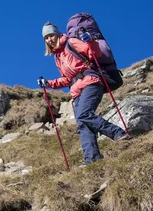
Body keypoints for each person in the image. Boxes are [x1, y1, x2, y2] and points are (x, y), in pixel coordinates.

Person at [38, 22, 131, 165]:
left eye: (50, 35)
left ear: (56, 33)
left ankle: (118, 133)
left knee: (84, 114)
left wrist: (91, 41)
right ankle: (92, 159)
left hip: (90, 82)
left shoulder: (71, 42)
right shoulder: (57, 57)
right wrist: (49, 83)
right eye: (46, 38)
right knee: (82, 125)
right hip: (76, 91)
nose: (49, 39)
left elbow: (93, 53)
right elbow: (67, 79)